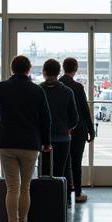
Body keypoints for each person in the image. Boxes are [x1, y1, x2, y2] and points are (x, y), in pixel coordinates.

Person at [0, 55, 51, 222]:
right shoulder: (37, 90)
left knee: (12, 187)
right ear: (29, 70)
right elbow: (46, 119)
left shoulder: (3, 87)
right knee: (25, 186)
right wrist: (46, 142)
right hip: (30, 143)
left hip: (7, 142)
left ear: (12, 69)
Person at [40, 59, 78, 195]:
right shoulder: (67, 92)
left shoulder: (38, 90)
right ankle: (59, 203)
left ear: (44, 72)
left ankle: (43, 202)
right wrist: (67, 127)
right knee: (59, 173)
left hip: (42, 140)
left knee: (43, 173)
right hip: (63, 138)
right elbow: (75, 118)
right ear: (59, 72)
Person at [60, 57, 94, 203]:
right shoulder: (78, 87)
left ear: (63, 67)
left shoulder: (58, 85)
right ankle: (78, 193)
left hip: (61, 130)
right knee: (76, 162)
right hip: (78, 129)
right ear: (76, 68)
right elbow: (85, 111)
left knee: (64, 162)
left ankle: (65, 193)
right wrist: (91, 131)